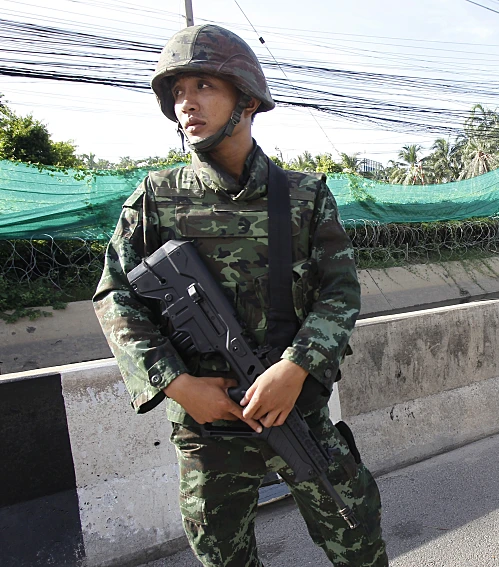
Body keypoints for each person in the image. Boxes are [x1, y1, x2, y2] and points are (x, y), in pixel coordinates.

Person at [93, 24, 388, 566]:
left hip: (294, 408)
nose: (187, 104)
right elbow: (115, 295)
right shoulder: (156, 198)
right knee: (222, 556)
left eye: (203, 85)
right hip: (208, 427)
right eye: (177, 92)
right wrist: (178, 384)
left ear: (247, 100)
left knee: (358, 537)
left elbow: (340, 291)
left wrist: (295, 368)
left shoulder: (304, 196)